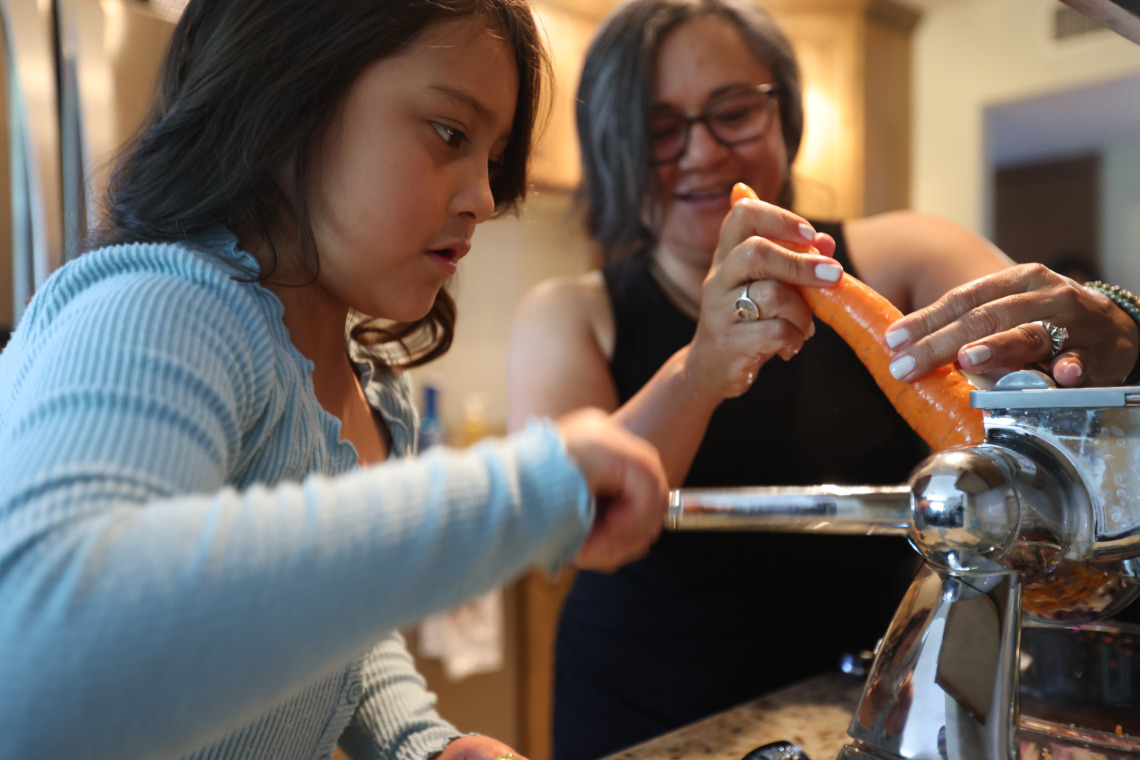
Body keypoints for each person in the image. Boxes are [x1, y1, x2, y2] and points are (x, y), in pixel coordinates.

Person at [0, 1, 672, 759]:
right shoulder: (160, 308)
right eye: (449, 133)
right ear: (290, 94)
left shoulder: (370, 389)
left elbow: (332, 628)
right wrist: (514, 493)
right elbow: (43, 658)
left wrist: (423, 745)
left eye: (491, 156)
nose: (484, 199)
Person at [505, 0, 1140, 757]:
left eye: (733, 111)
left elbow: (1069, 400)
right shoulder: (570, 313)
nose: (702, 153)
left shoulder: (908, 254)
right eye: (658, 129)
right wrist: (702, 367)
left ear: (784, 114)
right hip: (647, 714)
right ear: (612, 149)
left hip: (871, 699)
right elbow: (564, 530)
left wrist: (1119, 328)